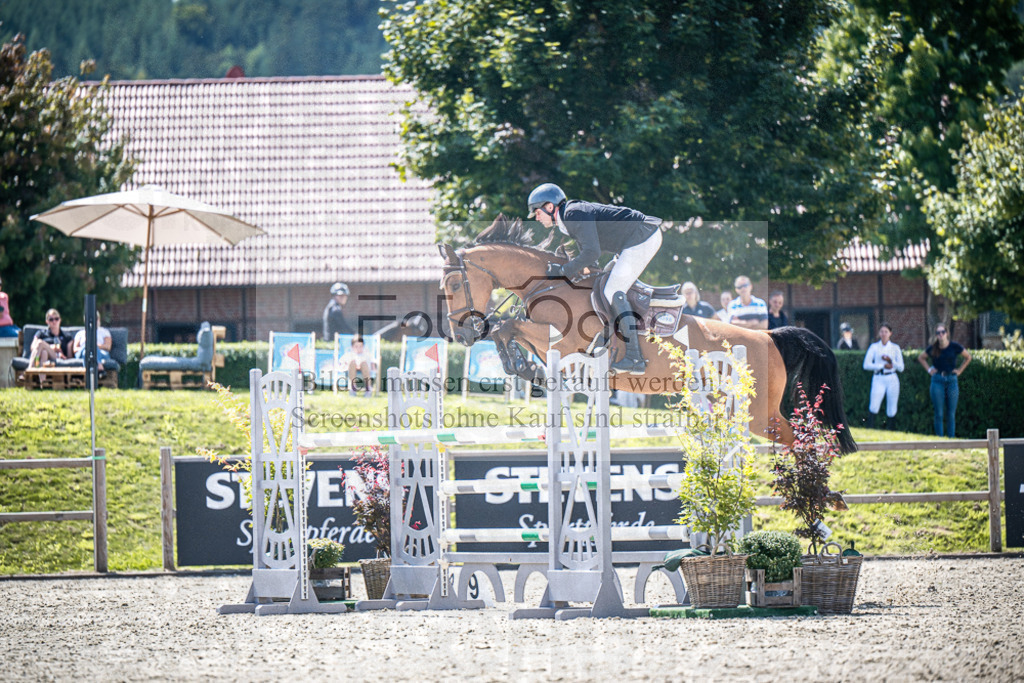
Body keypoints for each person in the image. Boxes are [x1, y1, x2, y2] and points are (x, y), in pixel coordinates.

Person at [528, 182, 662, 375]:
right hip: (633, 240)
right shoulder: (569, 217)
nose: (537, 217)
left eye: (537, 212)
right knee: (602, 284)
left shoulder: (573, 214)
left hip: (643, 237)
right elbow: (591, 256)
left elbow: (591, 253)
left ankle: (635, 357)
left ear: (549, 207)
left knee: (612, 291)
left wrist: (563, 270)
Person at [918, 325, 972, 438]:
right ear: (936, 335)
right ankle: (940, 440)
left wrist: (960, 371)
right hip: (937, 380)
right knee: (939, 413)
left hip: (952, 380)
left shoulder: (954, 346)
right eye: (938, 333)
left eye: (942, 332)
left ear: (947, 333)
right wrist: (929, 370)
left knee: (951, 413)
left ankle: (951, 439)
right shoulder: (933, 348)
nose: (940, 334)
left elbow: (968, 357)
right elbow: (921, 357)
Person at [862, 322, 904, 429]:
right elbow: (866, 365)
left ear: (890, 333)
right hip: (879, 377)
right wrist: (882, 365)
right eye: (882, 331)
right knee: (874, 404)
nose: (884, 334)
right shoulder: (874, 347)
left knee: (892, 406)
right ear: (879, 333)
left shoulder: (895, 348)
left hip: (892, 377)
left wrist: (891, 361)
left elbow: (901, 367)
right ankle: (870, 428)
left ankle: (891, 429)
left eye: (886, 332)